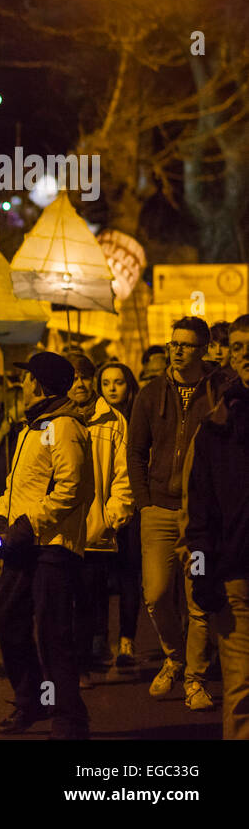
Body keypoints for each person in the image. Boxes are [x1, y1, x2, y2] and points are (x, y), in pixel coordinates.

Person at [0, 350, 94, 739]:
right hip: (25, 541)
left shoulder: (62, 427)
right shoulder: (34, 426)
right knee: (8, 619)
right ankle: (29, 700)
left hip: (52, 545)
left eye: (28, 377)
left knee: (53, 632)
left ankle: (69, 717)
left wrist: (28, 525)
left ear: (40, 383)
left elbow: (71, 489)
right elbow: (18, 488)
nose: (23, 383)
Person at [127, 317, 227, 712]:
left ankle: (194, 679)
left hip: (201, 517)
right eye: (174, 343)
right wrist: (143, 499)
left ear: (202, 351)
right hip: (159, 511)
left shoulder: (220, 391)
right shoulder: (151, 393)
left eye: (186, 345)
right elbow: (135, 451)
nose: (178, 349)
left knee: (198, 598)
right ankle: (174, 656)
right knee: (155, 594)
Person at [184, 314, 249, 739]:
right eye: (240, 348)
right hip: (236, 574)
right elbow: (201, 512)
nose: (248, 356)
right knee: (242, 690)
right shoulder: (217, 428)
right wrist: (202, 572)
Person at [65, 354, 134, 690]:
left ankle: (81, 665)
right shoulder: (52, 420)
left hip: (94, 530)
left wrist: (112, 516)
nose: (79, 384)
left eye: (84, 377)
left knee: (88, 601)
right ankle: (63, 664)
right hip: (58, 530)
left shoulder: (113, 420)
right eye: (73, 377)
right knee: (60, 601)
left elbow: (124, 475)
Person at [95, 361, 144, 677]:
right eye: (107, 382)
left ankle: (127, 640)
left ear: (129, 385)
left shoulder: (140, 416)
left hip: (135, 505)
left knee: (129, 575)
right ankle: (101, 641)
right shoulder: (94, 420)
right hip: (101, 506)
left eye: (119, 382)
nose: (112, 388)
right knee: (99, 577)